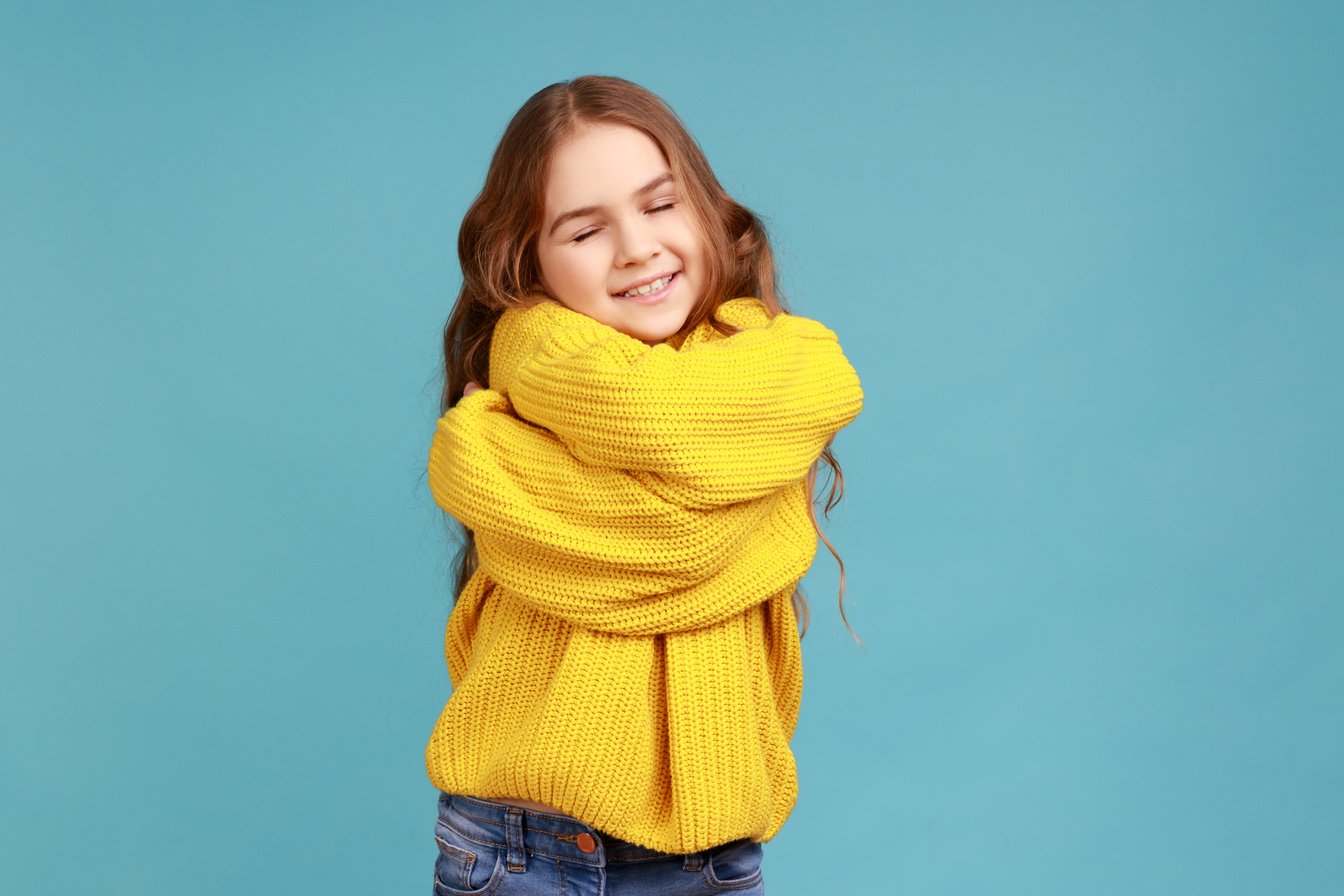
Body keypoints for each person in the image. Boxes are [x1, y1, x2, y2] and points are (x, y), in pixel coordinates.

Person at [425, 74, 864, 895]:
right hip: (521, 845)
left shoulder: (780, 372)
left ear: (704, 209)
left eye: (659, 206)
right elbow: (648, 417)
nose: (636, 248)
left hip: (707, 855)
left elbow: (703, 414)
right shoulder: (534, 377)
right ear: (532, 262)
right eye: (585, 230)